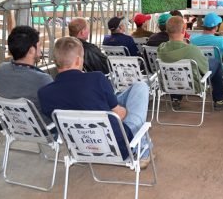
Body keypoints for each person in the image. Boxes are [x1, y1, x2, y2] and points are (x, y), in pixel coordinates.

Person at [38, 37, 152, 168]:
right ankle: (142, 151)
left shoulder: (44, 93)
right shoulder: (96, 78)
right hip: (118, 146)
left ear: (56, 61)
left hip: (80, 146)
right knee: (141, 87)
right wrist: (121, 109)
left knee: (125, 93)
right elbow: (120, 115)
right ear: (78, 60)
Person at [157, 16, 223, 110]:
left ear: (167, 31)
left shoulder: (161, 48)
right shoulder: (191, 49)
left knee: (173, 70)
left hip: (170, 84)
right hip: (193, 85)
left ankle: (175, 99)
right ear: (183, 30)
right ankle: (219, 100)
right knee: (215, 63)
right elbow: (205, 68)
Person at [0, 26, 52, 122]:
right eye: (39, 45)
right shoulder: (43, 79)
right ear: (32, 50)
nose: (41, 49)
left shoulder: (1, 70)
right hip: (42, 131)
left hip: (12, 126)